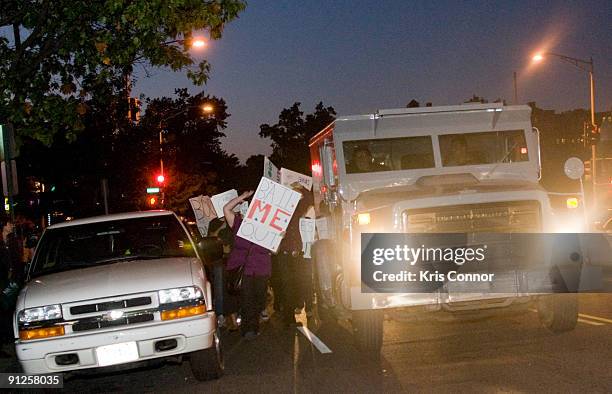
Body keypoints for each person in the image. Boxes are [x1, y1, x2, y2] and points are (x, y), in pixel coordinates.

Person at [223, 191, 272, 340]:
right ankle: (248, 329)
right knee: (247, 299)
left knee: (259, 299)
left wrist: (278, 238)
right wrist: (241, 198)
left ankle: (254, 324)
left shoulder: (266, 226)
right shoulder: (238, 223)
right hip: (244, 267)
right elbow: (226, 209)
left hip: (261, 268)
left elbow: (273, 249)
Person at [277, 184, 314, 327]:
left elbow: (310, 199)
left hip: (298, 255)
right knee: (287, 286)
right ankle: (288, 319)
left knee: (298, 284)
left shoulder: (298, 209)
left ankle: (292, 315)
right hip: (284, 255)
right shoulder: (280, 212)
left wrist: (301, 187)